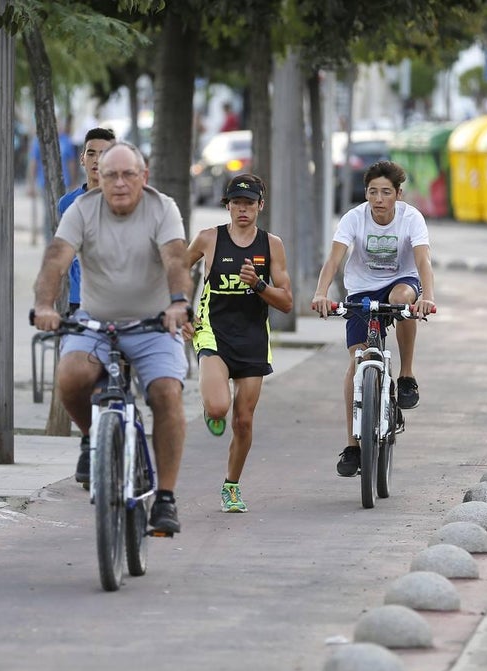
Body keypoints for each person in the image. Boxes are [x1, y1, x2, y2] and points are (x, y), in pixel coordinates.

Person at [32, 141, 192, 533]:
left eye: (128, 175)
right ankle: (94, 440)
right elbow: (56, 259)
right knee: (70, 377)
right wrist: (45, 306)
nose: (119, 183)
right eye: (110, 175)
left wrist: (178, 303)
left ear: (144, 177)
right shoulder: (81, 210)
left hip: (154, 323)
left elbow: (175, 259)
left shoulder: (162, 208)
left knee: (167, 393)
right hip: (96, 321)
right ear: (98, 178)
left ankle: (165, 497)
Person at [310, 160, 436, 479]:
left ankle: (406, 375)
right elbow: (334, 259)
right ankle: (353, 446)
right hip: (362, 289)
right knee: (357, 361)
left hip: (401, 282)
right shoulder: (354, 218)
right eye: (372, 192)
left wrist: (428, 298)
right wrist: (321, 293)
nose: (378, 199)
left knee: (402, 302)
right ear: (365, 193)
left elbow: (423, 260)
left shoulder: (411, 218)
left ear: (398, 194)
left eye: (386, 192)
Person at [185, 174, 293, 513]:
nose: (242, 209)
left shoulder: (271, 245)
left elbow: (287, 302)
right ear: (227, 206)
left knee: (243, 420)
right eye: (236, 203)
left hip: (252, 337)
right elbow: (175, 271)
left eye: (249, 203)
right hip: (213, 331)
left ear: (260, 206)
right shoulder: (208, 238)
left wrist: (259, 285)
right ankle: (212, 404)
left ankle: (231, 486)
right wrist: (181, 310)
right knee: (220, 408)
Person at [56, 126, 116, 312]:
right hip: (78, 300)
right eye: (91, 154)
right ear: (82, 158)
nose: (96, 160)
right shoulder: (67, 203)